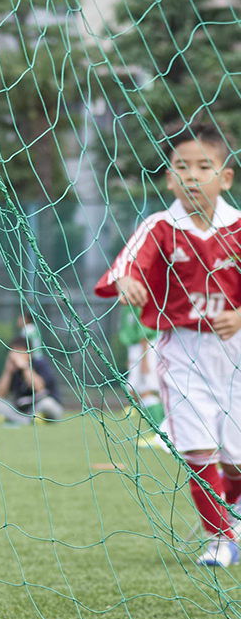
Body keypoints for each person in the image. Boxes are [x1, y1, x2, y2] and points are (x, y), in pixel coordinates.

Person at [96, 123, 241, 568]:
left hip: (236, 352)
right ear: (168, 177)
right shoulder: (159, 227)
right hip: (181, 350)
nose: (192, 176)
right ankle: (219, 538)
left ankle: (232, 513)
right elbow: (127, 266)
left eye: (204, 166)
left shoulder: (238, 227)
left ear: (226, 177)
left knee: (236, 458)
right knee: (198, 449)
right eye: (182, 167)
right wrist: (126, 281)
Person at [117, 303, 166, 447]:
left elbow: (145, 330)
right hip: (136, 350)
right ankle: (158, 432)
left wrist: (145, 359)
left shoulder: (139, 302)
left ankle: (160, 435)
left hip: (146, 348)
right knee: (135, 391)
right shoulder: (127, 305)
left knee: (147, 391)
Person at [0, 336, 63, 426]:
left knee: (48, 404)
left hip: (40, 405)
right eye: (13, 351)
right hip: (22, 410)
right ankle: (28, 420)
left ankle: (20, 419)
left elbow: (39, 388)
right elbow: (0, 394)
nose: (16, 356)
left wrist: (25, 367)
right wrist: (8, 371)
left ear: (29, 353)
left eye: (19, 351)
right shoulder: (12, 368)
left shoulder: (41, 364)